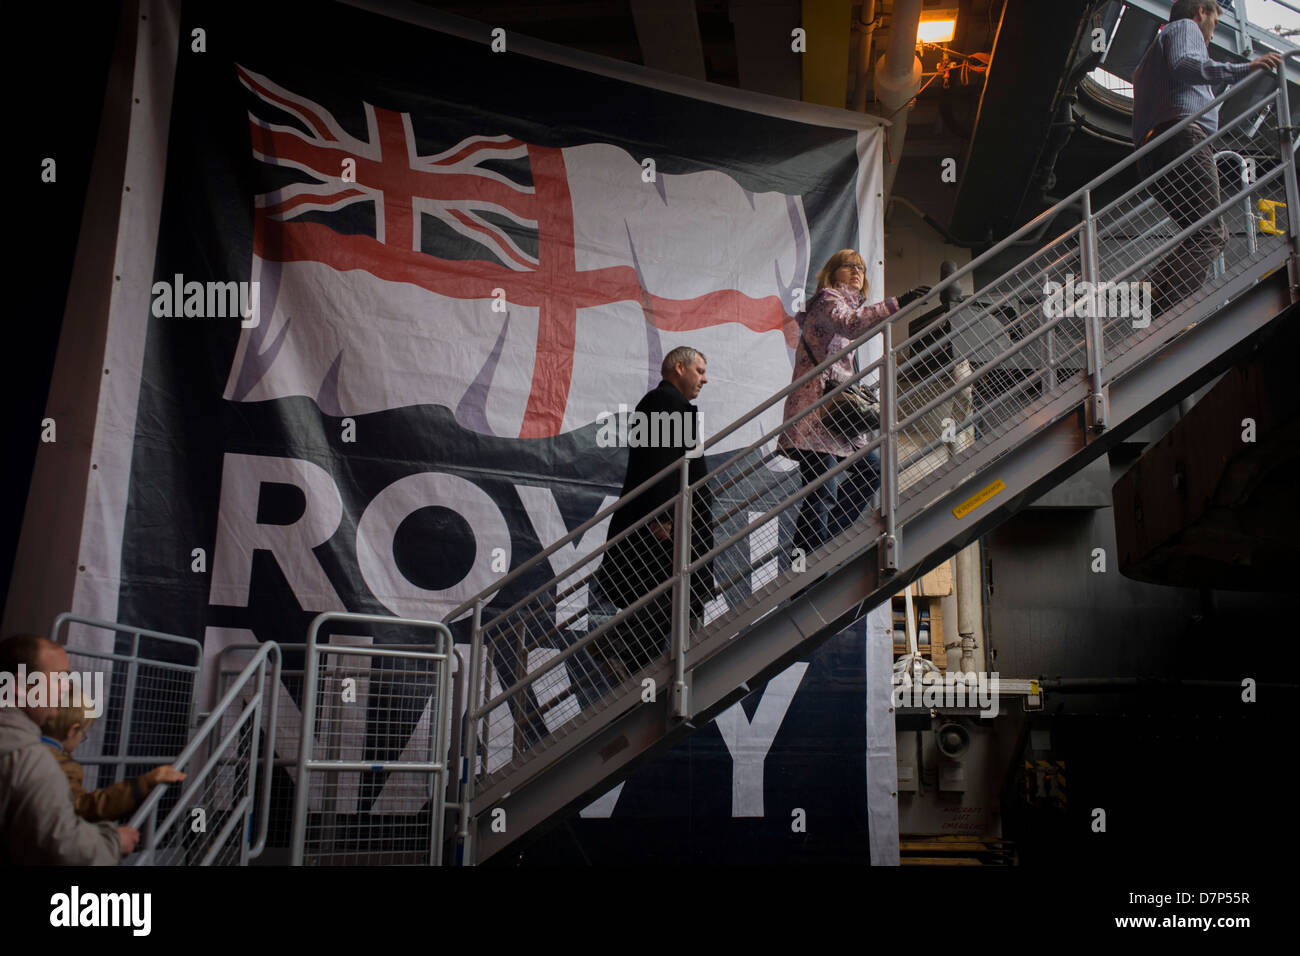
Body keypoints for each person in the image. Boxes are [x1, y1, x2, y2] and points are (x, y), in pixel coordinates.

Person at [1132, 0, 1281, 317]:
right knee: (1211, 234)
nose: (1213, 32)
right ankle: (1170, 315)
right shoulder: (1183, 28)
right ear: (1202, 11)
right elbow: (1186, 64)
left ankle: (1147, 296)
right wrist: (1246, 68)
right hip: (1183, 139)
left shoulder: (1149, 60)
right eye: (1215, 18)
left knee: (1205, 233)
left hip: (1155, 151)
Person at [778, 249, 928, 558]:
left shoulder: (845, 304)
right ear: (833, 273)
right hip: (814, 413)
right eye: (849, 266)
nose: (857, 272)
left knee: (871, 469)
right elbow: (850, 324)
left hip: (835, 417)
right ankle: (806, 565)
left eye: (860, 267)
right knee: (822, 490)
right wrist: (898, 302)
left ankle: (823, 544)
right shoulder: (827, 300)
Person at [594, 347, 715, 680]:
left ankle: (633, 673)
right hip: (667, 526)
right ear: (679, 368)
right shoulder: (664, 403)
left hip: (672, 523)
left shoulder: (670, 406)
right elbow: (659, 466)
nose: (705, 379)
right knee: (683, 592)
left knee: (671, 595)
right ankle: (615, 643)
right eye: (700, 370)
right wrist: (663, 516)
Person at [0, 633, 138, 864]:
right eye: (59, 679)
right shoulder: (30, 761)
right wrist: (113, 840)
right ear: (21, 687)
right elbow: (65, 849)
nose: (67, 688)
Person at [41, 691, 186, 822]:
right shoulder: (63, 766)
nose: (80, 739)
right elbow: (85, 808)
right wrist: (145, 783)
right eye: (82, 734)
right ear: (72, 731)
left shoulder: (28, 747)